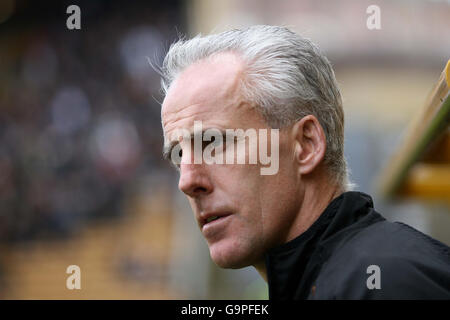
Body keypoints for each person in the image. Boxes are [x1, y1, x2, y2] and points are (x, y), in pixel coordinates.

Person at [159, 25, 450, 299]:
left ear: (306, 145)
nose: (187, 181)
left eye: (213, 143)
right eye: (179, 155)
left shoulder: (387, 283)